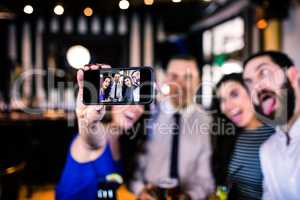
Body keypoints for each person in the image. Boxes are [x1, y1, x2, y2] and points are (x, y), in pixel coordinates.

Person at [56, 64, 146, 200]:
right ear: (111, 101)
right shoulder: (95, 137)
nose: (135, 108)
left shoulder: (124, 140)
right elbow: (90, 141)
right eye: (127, 99)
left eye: (140, 102)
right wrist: (88, 122)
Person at [131, 55, 214, 200]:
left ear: (198, 81)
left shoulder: (207, 122)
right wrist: (139, 190)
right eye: (174, 76)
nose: (180, 84)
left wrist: (190, 196)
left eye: (188, 77)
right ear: (165, 79)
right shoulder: (145, 116)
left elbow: (205, 178)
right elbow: (131, 165)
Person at [243, 51, 300, 200]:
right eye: (249, 83)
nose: (256, 87)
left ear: (292, 75)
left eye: (264, 73)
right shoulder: (267, 150)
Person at [212, 73, 274, 200]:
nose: (227, 106)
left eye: (234, 94)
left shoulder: (276, 135)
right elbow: (223, 181)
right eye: (222, 100)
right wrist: (220, 197)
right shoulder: (227, 136)